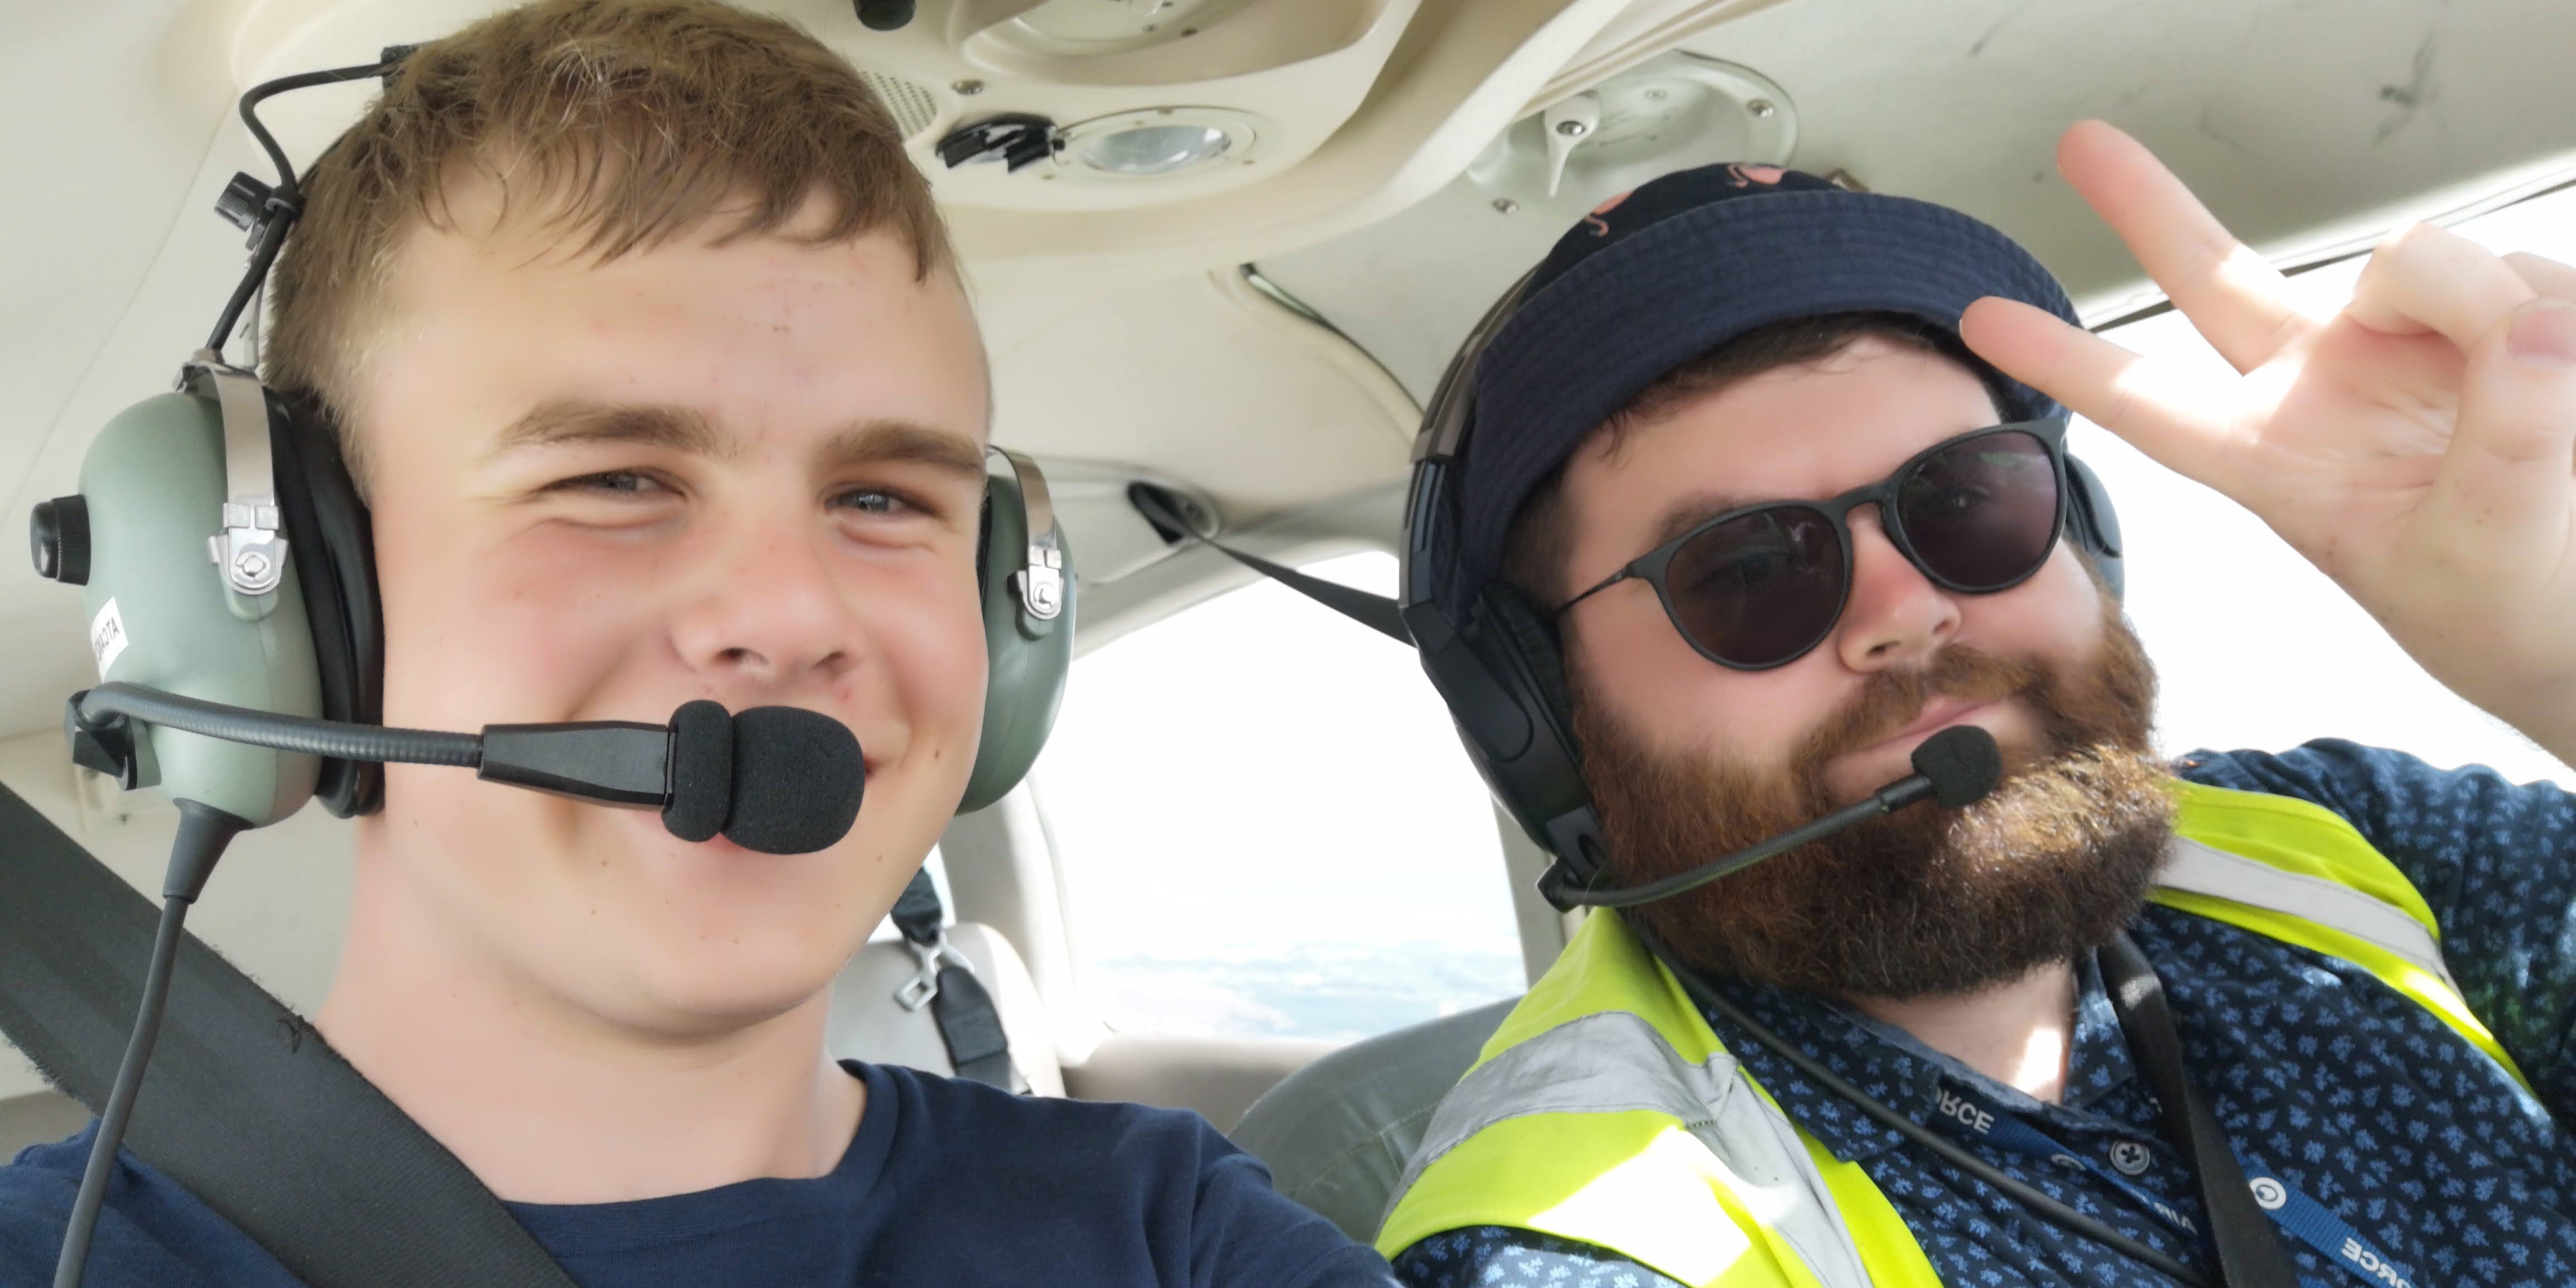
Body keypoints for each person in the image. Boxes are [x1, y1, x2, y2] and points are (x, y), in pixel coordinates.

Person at [0, 3, 1394, 1285]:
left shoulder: (1169, 1235)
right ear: (299, 599)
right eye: (614, 479)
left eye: (880, 499)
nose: (793, 615)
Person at [1378, 126, 2576, 1287]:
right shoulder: (1582, 1234)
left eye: (1963, 499)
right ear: (1537, 714)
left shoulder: (2340, 844)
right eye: (1745, 568)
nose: (1910, 610)